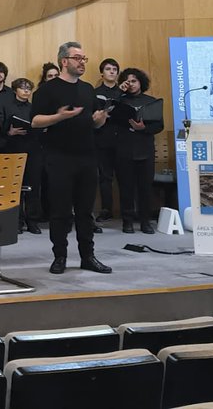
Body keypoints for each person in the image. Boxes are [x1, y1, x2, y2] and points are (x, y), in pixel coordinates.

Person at [32, 42, 112, 276]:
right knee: (60, 211)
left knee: (86, 211)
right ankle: (60, 256)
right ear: (64, 61)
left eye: (84, 58)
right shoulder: (47, 90)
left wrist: (101, 117)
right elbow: (35, 121)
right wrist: (58, 117)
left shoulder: (87, 89)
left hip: (87, 156)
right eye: (77, 58)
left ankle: (88, 256)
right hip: (59, 157)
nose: (82, 62)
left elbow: (96, 123)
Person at [114, 68, 165, 234]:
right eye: (128, 82)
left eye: (134, 81)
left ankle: (145, 221)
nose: (131, 84)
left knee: (145, 188)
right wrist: (117, 93)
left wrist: (143, 128)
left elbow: (159, 125)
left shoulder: (151, 101)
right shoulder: (119, 101)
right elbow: (109, 118)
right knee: (126, 187)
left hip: (145, 148)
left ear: (141, 82)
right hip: (124, 148)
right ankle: (127, 221)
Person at [0, 78, 42, 234]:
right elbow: (1, 127)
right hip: (13, 149)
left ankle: (32, 221)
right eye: (23, 88)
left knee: (33, 186)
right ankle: (16, 221)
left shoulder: (34, 108)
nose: (26, 91)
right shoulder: (7, 106)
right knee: (14, 186)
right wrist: (9, 132)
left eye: (29, 88)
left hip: (32, 149)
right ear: (15, 90)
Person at [94, 58, 122, 223]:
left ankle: (128, 210)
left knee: (125, 176)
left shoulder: (124, 92)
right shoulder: (94, 92)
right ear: (102, 73)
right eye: (108, 69)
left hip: (122, 138)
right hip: (102, 138)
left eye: (114, 69)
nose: (112, 72)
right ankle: (106, 209)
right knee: (105, 177)